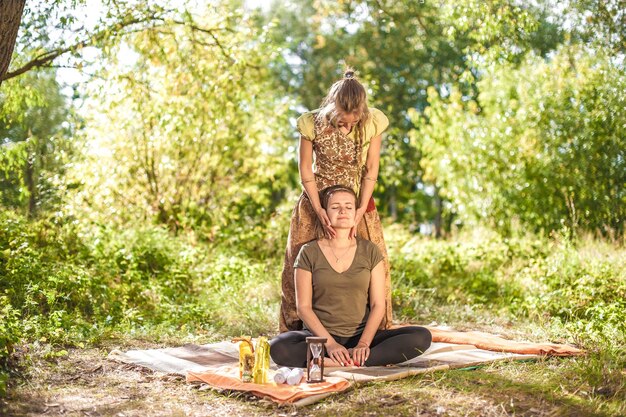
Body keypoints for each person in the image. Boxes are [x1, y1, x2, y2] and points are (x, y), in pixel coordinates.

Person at [280, 68, 394, 333]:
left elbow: (371, 170)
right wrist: (318, 209)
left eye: (353, 121)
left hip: (355, 201)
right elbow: (305, 169)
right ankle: (298, 331)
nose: (348, 125)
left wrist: (359, 210)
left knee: (374, 260)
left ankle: (372, 331)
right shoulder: (312, 123)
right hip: (315, 199)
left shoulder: (372, 121)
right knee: (298, 260)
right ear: (333, 107)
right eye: (343, 120)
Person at [271, 186, 431, 367]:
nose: (342, 211)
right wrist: (330, 344)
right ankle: (351, 361)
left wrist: (363, 344)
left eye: (348, 206)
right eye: (335, 207)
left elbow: (378, 304)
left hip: (361, 337)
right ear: (324, 213)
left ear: (356, 213)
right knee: (278, 347)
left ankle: (337, 362)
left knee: (421, 336)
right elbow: (304, 308)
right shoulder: (308, 252)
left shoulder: (370, 250)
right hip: (320, 339)